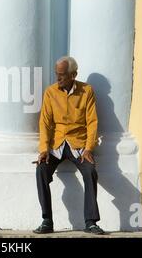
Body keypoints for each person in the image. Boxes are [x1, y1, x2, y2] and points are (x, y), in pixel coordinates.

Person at [34, 56, 105, 235]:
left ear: (73, 74)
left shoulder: (87, 91)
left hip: (79, 144)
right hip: (56, 144)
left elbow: (92, 122)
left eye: (62, 75)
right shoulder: (50, 92)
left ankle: (90, 222)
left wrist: (89, 148)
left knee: (90, 171)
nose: (58, 79)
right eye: (57, 74)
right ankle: (47, 220)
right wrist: (43, 149)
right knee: (41, 170)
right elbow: (45, 123)